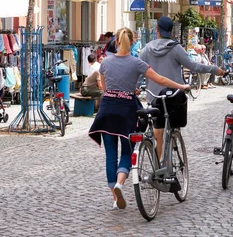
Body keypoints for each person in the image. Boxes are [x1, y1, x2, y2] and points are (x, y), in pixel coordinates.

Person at [88, 27, 189, 211]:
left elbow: (104, 87)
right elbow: (161, 80)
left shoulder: (105, 63)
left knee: (111, 156)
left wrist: (118, 91)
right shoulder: (136, 63)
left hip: (107, 110)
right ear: (132, 43)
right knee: (127, 152)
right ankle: (120, 184)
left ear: (116, 42)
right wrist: (181, 86)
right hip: (126, 112)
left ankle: (114, 196)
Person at [139, 16, 224, 158]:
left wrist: (135, 87)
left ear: (157, 30)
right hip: (173, 95)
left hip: (153, 97)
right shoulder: (175, 48)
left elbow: (138, 71)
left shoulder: (146, 49)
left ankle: (158, 163)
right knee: (174, 122)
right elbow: (194, 66)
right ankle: (173, 143)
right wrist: (214, 69)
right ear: (171, 32)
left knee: (157, 127)